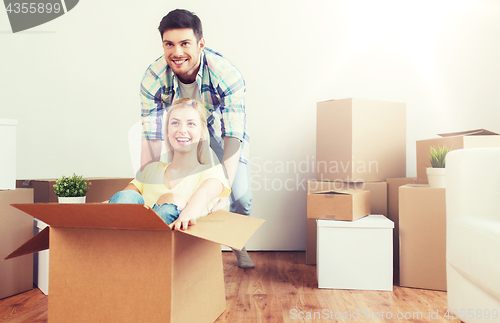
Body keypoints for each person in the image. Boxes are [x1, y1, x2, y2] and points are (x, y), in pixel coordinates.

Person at [139, 9, 254, 268]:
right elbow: (151, 136)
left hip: (220, 131)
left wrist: (223, 192)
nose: (177, 52)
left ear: (200, 44)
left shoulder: (227, 74)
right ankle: (187, 252)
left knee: (241, 197)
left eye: (184, 43)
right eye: (169, 44)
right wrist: (147, 185)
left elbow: (233, 135)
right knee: (178, 190)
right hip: (182, 132)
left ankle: (238, 243)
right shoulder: (153, 78)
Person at [110, 98, 230, 231]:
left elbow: (205, 194)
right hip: (130, 235)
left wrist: (188, 213)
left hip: (172, 245)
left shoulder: (212, 171)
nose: (182, 130)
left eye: (191, 124)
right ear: (167, 131)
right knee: (126, 196)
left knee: (173, 202)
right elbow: (120, 201)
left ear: (201, 132)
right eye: (175, 123)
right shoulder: (151, 170)